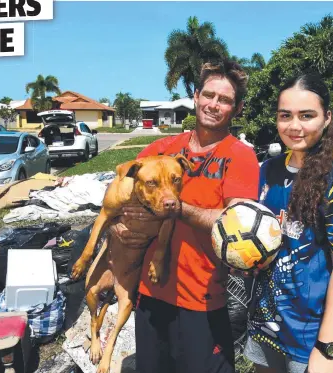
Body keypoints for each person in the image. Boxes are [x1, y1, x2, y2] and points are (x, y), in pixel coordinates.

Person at [110, 60, 260, 373]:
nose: (214, 104)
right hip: (151, 292)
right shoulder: (163, 148)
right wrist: (120, 226)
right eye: (208, 95)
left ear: (238, 108)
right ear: (195, 96)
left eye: (225, 100)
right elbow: (121, 196)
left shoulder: (239, 156)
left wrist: (179, 209)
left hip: (203, 300)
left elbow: (237, 223)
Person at [243, 73, 333, 373]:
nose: (294, 126)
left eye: (306, 115)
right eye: (285, 115)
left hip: (314, 338)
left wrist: (327, 349)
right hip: (267, 328)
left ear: (326, 118)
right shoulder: (268, 170)